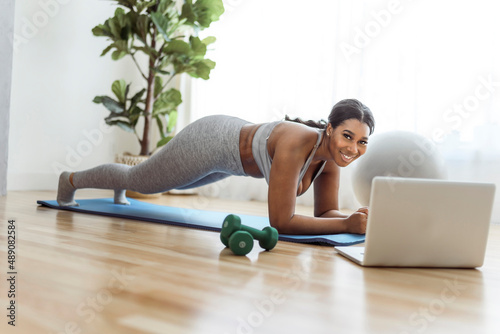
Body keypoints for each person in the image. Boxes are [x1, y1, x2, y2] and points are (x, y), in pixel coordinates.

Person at [57, 98, 375, 235]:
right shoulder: (297, 142)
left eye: (362, 142)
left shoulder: (330, 160)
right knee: (143, 180)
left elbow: (325, 214)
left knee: (164, 181)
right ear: (330, 129)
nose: (353, 148)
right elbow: (281, 221)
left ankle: (119, 185)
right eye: (348, 136)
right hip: (212, 141)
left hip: (230, 162)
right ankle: (70, 180)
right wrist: (346, 226)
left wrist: (353, 217)